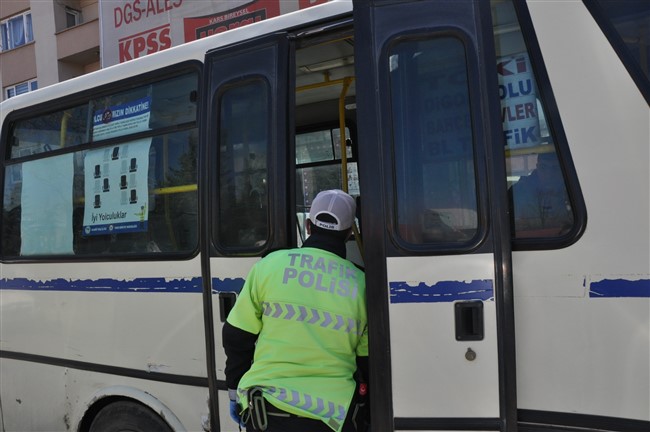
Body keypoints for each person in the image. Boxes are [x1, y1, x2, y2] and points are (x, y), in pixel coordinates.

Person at [223, 189, 369, 432]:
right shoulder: (362, 283)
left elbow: (236, 335)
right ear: (349, 233)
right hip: (334, 417)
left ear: (309, 226)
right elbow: (366, 361)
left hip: (267, 412)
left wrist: (234, 391)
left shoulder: (269, 266)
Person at [510, 151, 573, 235]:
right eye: (544, 167)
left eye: (555, 168)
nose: (549, 173)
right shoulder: (518, 191)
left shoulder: (570, 191)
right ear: (537, 167)